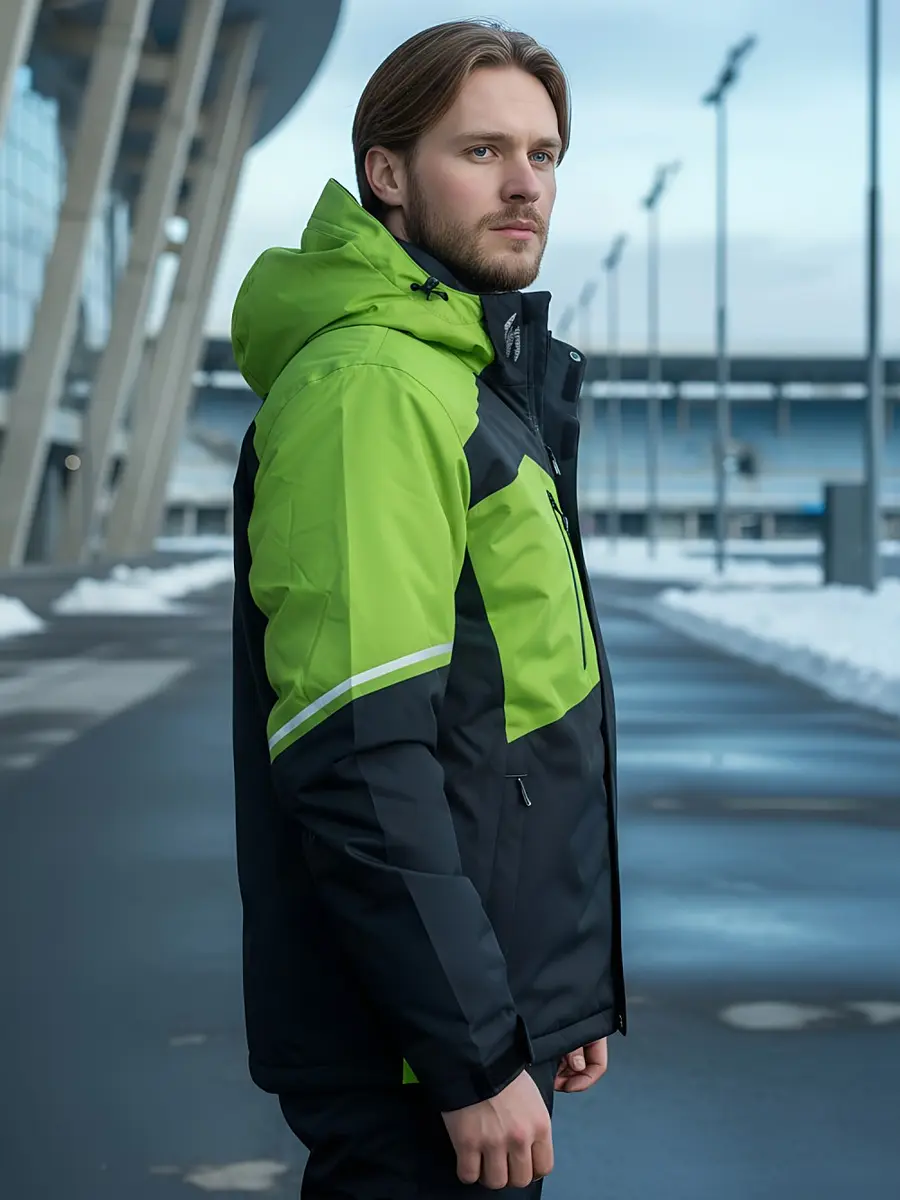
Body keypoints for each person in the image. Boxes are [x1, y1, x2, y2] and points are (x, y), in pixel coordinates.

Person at [230, 18, 626, 1197]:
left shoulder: (460, 379)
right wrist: (473, 1052)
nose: (524, 185)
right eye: (482, 150)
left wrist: (552, 992)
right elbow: (358, 751)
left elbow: (506, 710)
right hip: (418, 1049)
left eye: (543, 155)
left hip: (469, 1011)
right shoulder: (376, 387)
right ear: (387, 174)